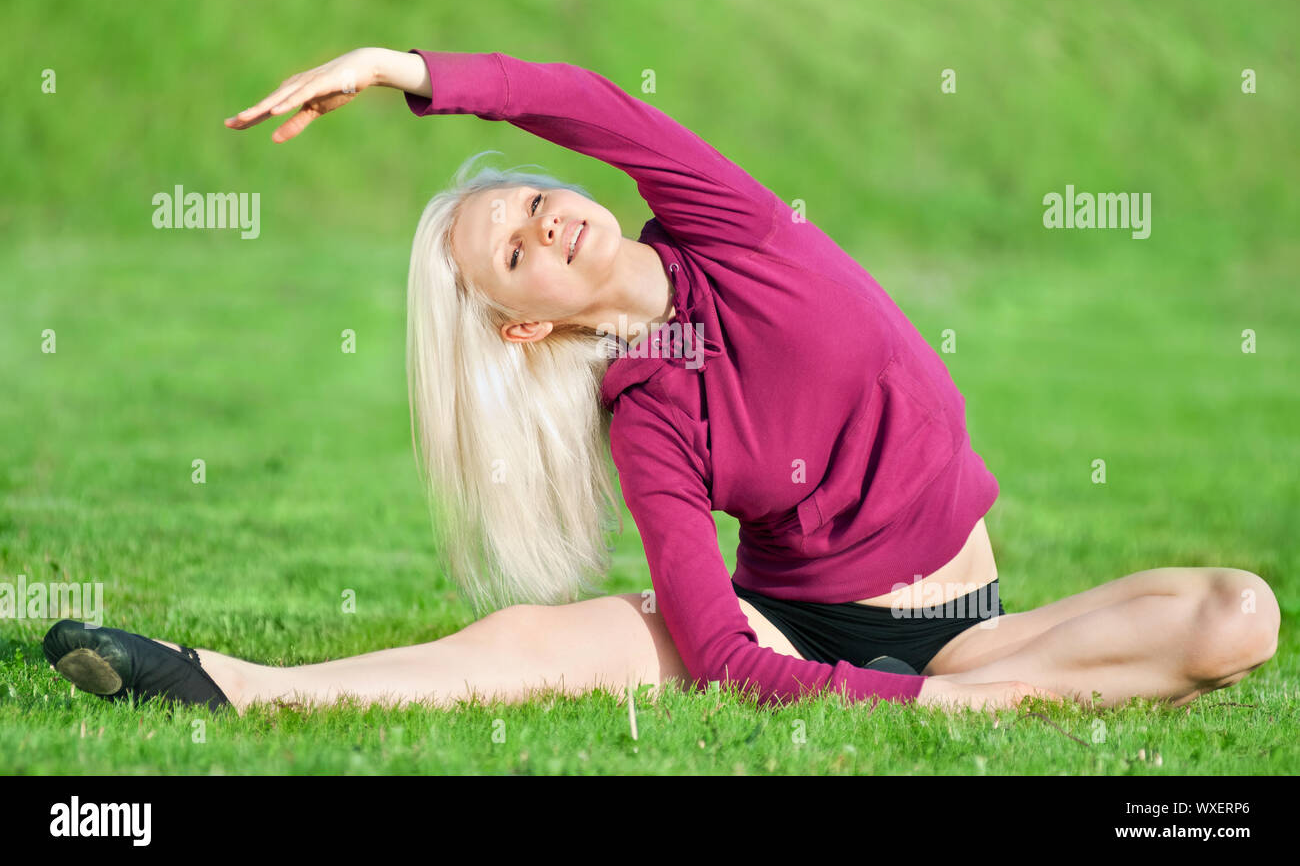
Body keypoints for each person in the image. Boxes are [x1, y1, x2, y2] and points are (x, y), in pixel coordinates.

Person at [44, 47, 1279, 717]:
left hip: (982, 622)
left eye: (531, 206)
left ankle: (991, 693)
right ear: (523, 328)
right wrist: (890, 708)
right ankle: (239, 684)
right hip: (809, 629)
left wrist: (404, 69)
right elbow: (718, 649)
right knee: (546, 641)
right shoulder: (647, 411)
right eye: (514, 260)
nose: (545, 232)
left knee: (1242, 615)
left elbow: (586, 104)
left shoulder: (727, 225)